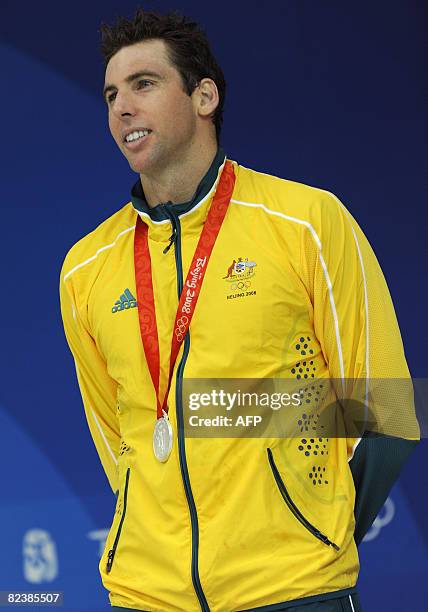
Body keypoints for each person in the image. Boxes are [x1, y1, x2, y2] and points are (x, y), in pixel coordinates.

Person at [59, 8, 419, 612]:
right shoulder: (84, 267)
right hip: (145, 596)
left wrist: (309, 537)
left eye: (144, 84)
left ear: (204, 96)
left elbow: (384, 406)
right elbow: (119, 438)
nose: (121, 107)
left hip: (290, 591)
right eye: (111, 94)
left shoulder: (306, 221)